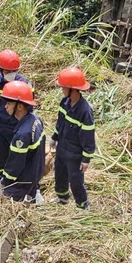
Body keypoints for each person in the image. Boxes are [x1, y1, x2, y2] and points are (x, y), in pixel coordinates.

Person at [0, 49, 33, 178]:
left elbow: (30, 110)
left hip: (18, 129)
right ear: (0, 69)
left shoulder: (25, 84)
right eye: (7, 71)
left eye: (13, 71)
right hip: (1, 128)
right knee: (2, 160)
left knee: (19, 159)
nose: (10, 74)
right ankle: (2, 184)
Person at [51, 67, 96, 210]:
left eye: (64, 87)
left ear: (73, 89)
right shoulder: (64, 103)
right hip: (62, 148)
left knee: (76, 181)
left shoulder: (85, 111)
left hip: (75, 153)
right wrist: (55, 136)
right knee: (60, 175)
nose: (62, 90)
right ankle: (62, 198)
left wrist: (86, 159)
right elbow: (60, 122)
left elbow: (88, 136)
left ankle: (82, 205)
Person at [0, 80, 46, 202]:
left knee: (9, 208)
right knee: (30, 203)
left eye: (9, 103)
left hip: (22, 182)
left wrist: (4, 182)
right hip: (34, 176)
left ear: (19, 106)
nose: (5, 106)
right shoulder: (36, 120)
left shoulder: (22, 134)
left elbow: (15, 164)